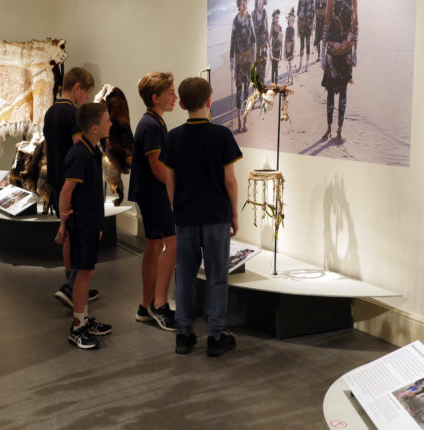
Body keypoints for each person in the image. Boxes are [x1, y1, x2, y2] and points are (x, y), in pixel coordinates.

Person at [159, 77, 243, 357]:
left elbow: (170, 181)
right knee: (217, 276)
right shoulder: (222, 136)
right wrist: (234, 214)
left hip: (185, 216)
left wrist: (176, 209)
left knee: (184, 275)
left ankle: (184, 334)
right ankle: (216, 336)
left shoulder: (173, 137)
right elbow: (229, 181)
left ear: (182, 104)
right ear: (209, 101)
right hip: (216, 215)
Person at [56, 103, 113, 349]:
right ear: (94, 127)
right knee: (83, 274)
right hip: (81, 225)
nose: (110, 123)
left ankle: (84, 318)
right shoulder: (80, 154)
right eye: (107, 120)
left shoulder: (92, 150)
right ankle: (77, 326)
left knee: (86, 273)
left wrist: (97, 223)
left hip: (90, 222)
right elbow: (67, 191)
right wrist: (63, 222)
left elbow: (90, 192)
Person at [43, 67, 99, 308]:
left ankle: (72, 283)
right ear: (77, 88)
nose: (86, 98)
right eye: (86, 93)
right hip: (73, 184)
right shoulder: (74, 115)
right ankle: (72, 286)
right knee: (83, 236)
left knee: (68, 235)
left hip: (56, 180)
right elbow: (81, 147)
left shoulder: (50, 112)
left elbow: (46, 147)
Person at [127, 72, 177, 331]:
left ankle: (146, 305)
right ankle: (159, 304)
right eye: (171, 93)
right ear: (155, 97)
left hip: (150, 194)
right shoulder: (151, 126)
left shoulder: (153, 123)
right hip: (154, 194)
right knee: (173, 245)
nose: (175, 97)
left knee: (155, 247)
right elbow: (158, 169)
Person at [320, 0, 357, 142]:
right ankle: (329, 128)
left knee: (343, 92)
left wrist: (354, 52)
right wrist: (323, 54)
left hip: (346, 52)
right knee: (330, 92)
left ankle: (339, 130)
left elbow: (355, 25)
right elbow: (326, 25)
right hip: (332, 52)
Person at [230, 0, 256, 132]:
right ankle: (239, 121)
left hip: (248, 60)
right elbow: (232, 41)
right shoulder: (235, 20)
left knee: (247, 90)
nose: (244, 5)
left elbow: (254, 39)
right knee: (238, 90)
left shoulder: (250, 18)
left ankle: (244, 121)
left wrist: (255, 57)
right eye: (241, 3)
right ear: (238, 5)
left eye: (245, 2)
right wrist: (231, 59)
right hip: (239, 60)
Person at [252, 0, 269, 84]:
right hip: (255, 44)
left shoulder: (265, 13)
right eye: (258, 4)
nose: (260, 6)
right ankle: (258, 82)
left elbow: (267, 30)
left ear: (263, 4)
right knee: (257, 63)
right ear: (256, 4)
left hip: (263, 43)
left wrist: (268, 41)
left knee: (264, 61)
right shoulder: (253, 14)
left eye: (261, 4)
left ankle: (262, 80)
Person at [297, 0, 315, 72]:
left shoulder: (311, 1)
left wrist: (312, 27)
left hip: (308, 26)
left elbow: (313, 14)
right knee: (301, 46)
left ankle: (306, 66)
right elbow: (298, 14)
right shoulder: (300, 1)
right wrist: (298, 30)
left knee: (308, 46)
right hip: (301, 26)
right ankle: (300, 65)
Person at [269, 9, 284, 84]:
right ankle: (272, 82)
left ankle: (276, 82)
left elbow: (281, 41)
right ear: (273, 18)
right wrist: (269, 52)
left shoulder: (280, 27)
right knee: (272, 66)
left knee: (276, 66)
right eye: (275, 18)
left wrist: (281, 54)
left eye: (278, 17)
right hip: (273, 49)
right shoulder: (272, 27)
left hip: (278, 50)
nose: (277, 19)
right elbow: (269, 39)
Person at [285, 8, 297, 85]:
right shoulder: (287, 29)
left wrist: (294, 49)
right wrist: (284, 49)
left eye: (292, 21)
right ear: (288, 21)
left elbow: (294, 40)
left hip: (291, 47)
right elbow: (286, 39)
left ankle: (291, 79)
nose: (291, 22)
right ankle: (289, 78)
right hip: (288, 47)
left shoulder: (293, 29)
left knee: (290, 64)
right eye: (290, 20)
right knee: (289, 63)